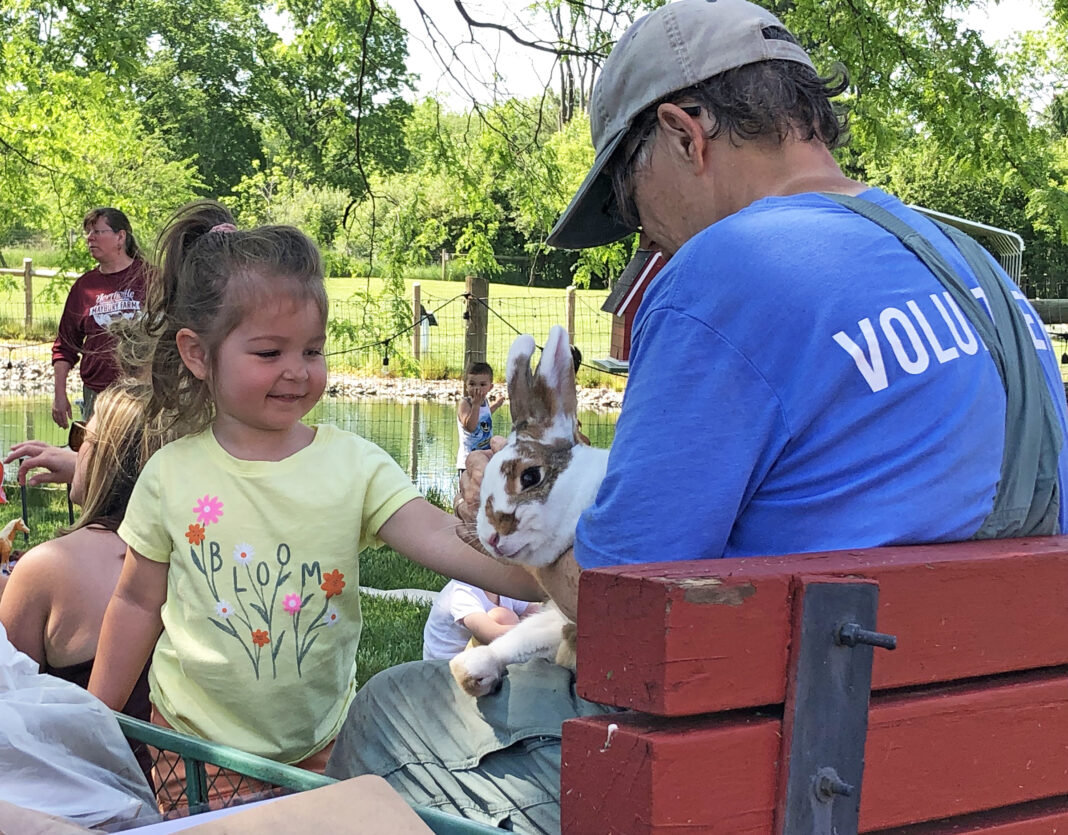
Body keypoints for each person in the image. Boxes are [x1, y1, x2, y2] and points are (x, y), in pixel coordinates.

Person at [328, 1, 1068, 832]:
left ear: (685, 134)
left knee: (392, 709)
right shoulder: (979, 273)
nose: (645, 236)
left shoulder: (728, 270)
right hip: (985, 774)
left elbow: (620, 614)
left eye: (628, 195)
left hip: (785, 785)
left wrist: (514, 521)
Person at [86, 201, 540, 807]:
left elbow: (444, 540)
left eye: (312, 350)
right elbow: (137, 601)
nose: (297, 372)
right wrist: (94, 719)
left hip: (322, 749)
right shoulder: (170, 474)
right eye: (269, 353)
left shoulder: (354, 466)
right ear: (198, 354)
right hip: (194, 750)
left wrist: (544, 567)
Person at [0, 381, 170, 781]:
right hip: (183, 784)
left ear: (106, 459)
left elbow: (12, 709)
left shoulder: (47, 568)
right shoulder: (201, 554)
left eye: (81, 439)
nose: (72, 451)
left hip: (85, 790)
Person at [52, 207, 147, 428]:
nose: (90, 238)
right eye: (88, 232)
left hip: (142, 393)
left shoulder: (151, 278)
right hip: (97, 394)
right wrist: (59, 394)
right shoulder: (85, 287)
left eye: (97, 232)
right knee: (97, 449)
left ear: (120, 237)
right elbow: (65, 346)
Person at [422, 579, 537, 661]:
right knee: (501, 616)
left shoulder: (499, 584)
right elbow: (489, 633)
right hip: (446, 669)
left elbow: (531, 609)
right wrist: (537, 633)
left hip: (469, 658)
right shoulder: (463, 591)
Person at [455, 361, 504, 475]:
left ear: (490, 387)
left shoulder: (484, 402)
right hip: (468, 462)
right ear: (466, 385)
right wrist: (475, 405)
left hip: (485, 457)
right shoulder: (465, 403)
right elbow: (470, 427)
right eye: (472, 384)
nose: (477, 388)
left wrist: (496, 405)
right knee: (470, 486)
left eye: (482, 385)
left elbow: (484, 416)